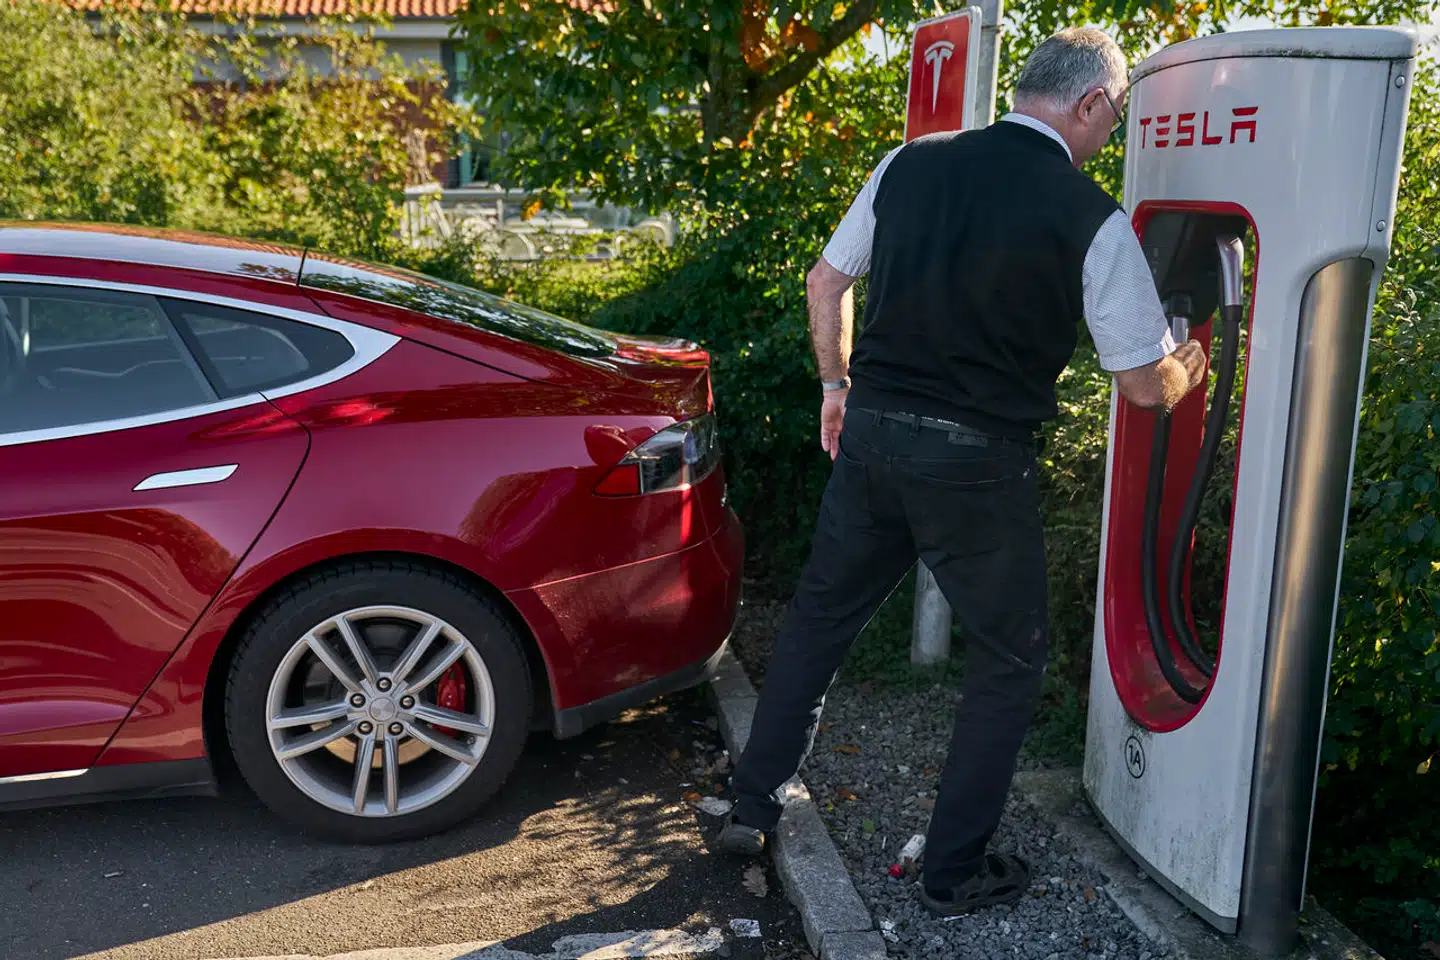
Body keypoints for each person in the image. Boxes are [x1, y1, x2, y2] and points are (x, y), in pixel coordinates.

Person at [716, 26, 1209, 918]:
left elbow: (825, 285)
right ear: (1092, 103)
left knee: (820, 622)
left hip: (871, 437)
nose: (1113, 132)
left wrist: (836, 384)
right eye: (1116, 114)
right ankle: (950, 872)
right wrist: (1190, 365)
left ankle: (751, 807)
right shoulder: (1089, 214)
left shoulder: (910, 163)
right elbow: (1141, 386)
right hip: (977, 466)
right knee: (1008, 664)